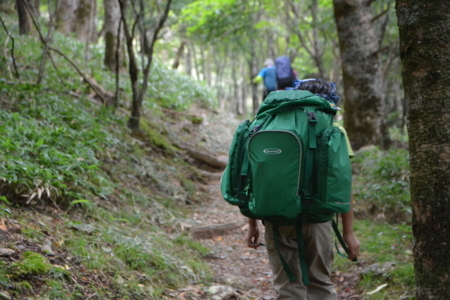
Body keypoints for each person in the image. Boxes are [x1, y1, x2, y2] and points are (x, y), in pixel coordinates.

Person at [244, 79, 360, 300]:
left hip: (277, 219)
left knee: (288, 288)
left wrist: (252, 225)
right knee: (320, 284)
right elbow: (342, 183)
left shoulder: (268, 125)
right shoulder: (334, 129)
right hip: (317, 221)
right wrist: (348, 232)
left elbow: (256, 178)